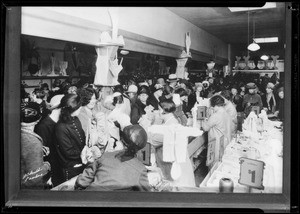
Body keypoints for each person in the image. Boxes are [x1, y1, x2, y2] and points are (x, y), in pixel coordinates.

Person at [74, 124, 151, 191]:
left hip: (88, 198)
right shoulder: (140, 169)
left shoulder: (106, 155)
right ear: (140, 148)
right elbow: (146, 197)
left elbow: (82, 182)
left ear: (121, 140)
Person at [148, 99, 196, 187]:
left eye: (158, 109)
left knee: (176, 186)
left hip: (173, 166)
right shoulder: (174, 120)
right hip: (180, 162)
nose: (158, 112)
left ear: (162, 110)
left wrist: (153, 122)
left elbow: (152, 140)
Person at [54, 94, 85, 183]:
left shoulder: (75, 119)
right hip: (71, 167)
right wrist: (84, 153)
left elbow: (81, 139)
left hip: (80, 162)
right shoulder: (61, 127)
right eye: (79, 107)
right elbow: (68, 152)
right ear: (73, 109)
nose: (81, 108)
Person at [34, 94, 64, 186]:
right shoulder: (43, 126)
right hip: (51, 170)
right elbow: (42, 154)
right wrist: (48, 175)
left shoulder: (60, 123)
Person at [21, 102, 51, 189]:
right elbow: (35, 179)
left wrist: (39, 150)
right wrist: (47, 166)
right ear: (39, 119)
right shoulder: (33, 142)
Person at [202, 95, 233, 167]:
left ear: (214, 105)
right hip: (225, 140)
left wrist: (202, 120)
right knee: (221, 162)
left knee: (213, 163)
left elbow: (205, 128)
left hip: (216, 142)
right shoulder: (226, 113)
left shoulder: (215, 115)